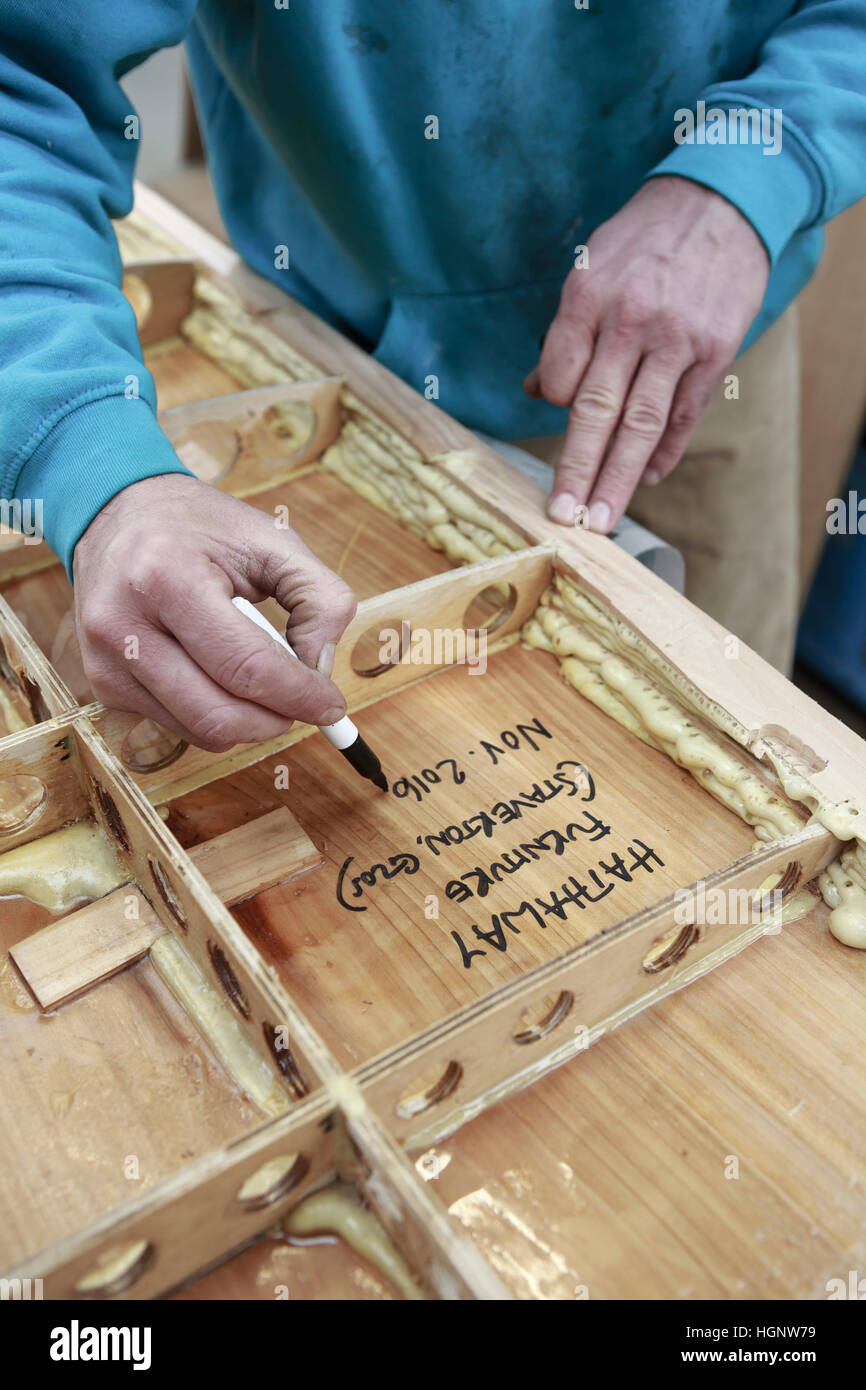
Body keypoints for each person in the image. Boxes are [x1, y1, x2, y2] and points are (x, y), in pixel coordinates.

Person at [1, 3, 864, 751]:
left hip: (695, 339)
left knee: (746, 722)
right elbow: (21, 85)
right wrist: (97, 466)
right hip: (326, 332)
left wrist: (749, 178)